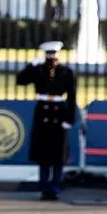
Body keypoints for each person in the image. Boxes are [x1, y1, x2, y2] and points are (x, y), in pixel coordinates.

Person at [16, 41, 77, 201]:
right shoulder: (38, 70)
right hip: (42, 112)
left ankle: (55, 187)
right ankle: (44, 187)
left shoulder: (66, 72)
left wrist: (70, 118)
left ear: (58, 55)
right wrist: (31, 65)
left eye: (53, 54)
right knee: (43, 155)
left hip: (59, 113)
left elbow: (72, 96)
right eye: (48, 55)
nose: (51, 58)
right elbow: (20, 80)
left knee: (58, 155)